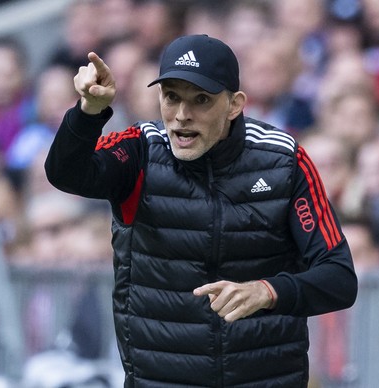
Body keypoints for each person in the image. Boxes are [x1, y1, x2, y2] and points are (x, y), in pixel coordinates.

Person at [45, 34, 357, 387]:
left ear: (235, 104)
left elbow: (339, 278)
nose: (181, 116)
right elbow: (64, 173)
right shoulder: (139, 151)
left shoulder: (284, 162)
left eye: (201, 100)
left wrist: (267, 292)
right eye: (171, 97)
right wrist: (89, 112)